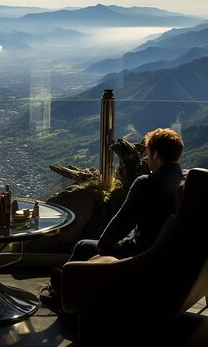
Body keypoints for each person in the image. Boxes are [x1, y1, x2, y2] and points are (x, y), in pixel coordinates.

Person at [40, 128, 185, 309]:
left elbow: (123, 220)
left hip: (138, 254)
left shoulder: (146, 183)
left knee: (83, 246)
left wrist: (104, 245)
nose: (146, 159)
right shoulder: (183, 183)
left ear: (155, 154)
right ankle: (65, 285)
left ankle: (62, 293)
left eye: (147, 154)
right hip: (160, 259)